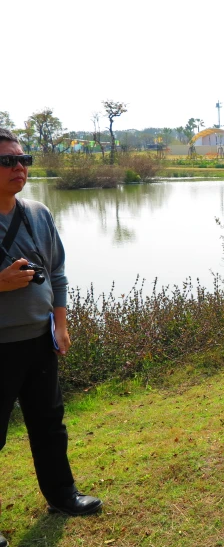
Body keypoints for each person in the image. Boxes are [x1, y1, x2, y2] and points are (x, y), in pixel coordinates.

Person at [0, 129, 103, 547]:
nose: (19, 168)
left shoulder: (38, 213)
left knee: (49, 423)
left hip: (40, 340)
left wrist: (60, 325)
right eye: (7, 161)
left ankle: (63, 496)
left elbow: (57, 273)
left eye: (24, 160)